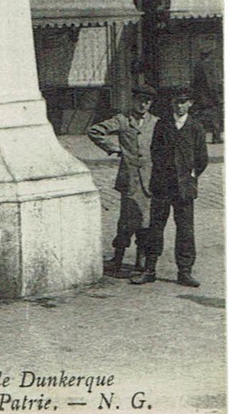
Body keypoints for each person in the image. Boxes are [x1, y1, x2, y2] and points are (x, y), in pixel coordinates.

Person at [131, 88, 208, 288]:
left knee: (185, 229)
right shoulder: (162, 125)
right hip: (162, 186)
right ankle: (150, 269)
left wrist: (190, 175)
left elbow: (202, 158)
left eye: (183, 102)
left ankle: (184, 271)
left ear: (190, 104)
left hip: (184, 188)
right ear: (171, 104)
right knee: (156, 227)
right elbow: (155, 152)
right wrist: (161, 175)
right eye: (176, 102)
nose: (179, 106)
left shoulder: (196, 127)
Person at [87, 86, 157, 276]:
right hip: (130, 179)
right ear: (133, 100)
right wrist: (114, 148)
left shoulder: (156, 122)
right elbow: (95, 131)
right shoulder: (122, 119)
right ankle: (118, 258)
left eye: (147, 102)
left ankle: (141, 259)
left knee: (146, 220)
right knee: (126, 220)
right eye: (140, 100)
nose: (143, 105)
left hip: (150, 179)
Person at [192, 45, 223, 144]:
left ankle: (197, 138)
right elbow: (211, 83)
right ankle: (216, 137)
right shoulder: (209, 65)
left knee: (199, 117)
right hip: (209, 97)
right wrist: (217, 96)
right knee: (214, 117)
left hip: (200, 96)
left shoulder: (198, 65)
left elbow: (195, 82)